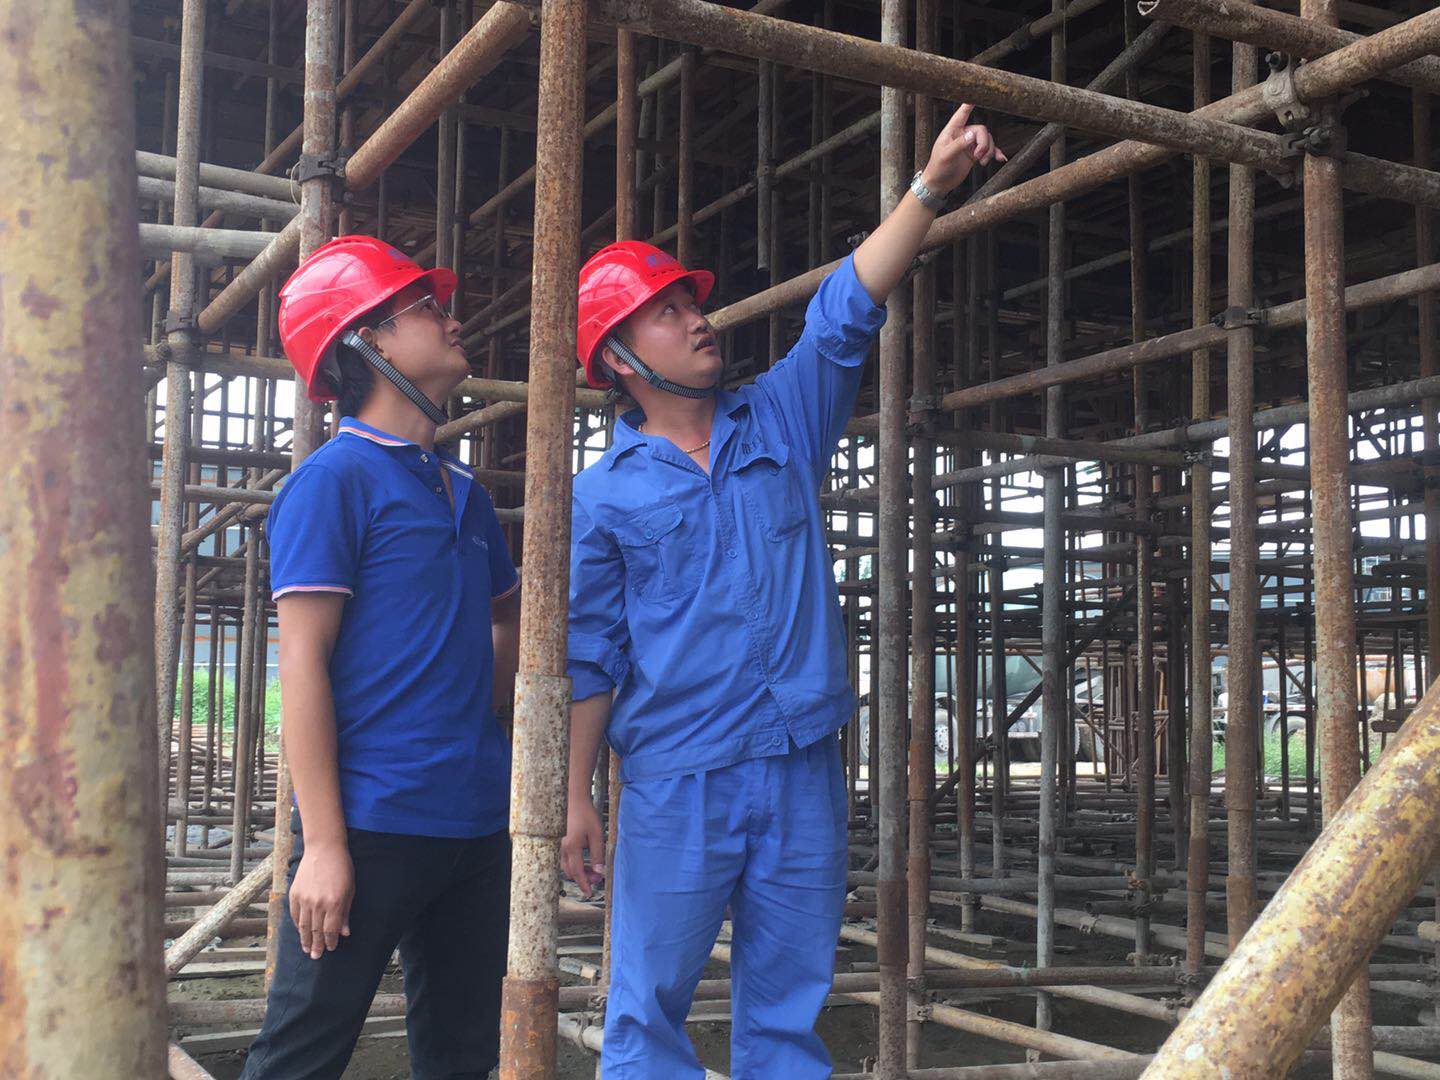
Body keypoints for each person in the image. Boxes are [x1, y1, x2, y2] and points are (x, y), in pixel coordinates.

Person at [561, 106, 1004, 1077]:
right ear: (620, 361)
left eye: (692, 302)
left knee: (788, 1020)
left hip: (802, 766)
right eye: (667, 311)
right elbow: (589, 655)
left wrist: (928, 190)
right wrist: (578, 796)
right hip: (677, 780)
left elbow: (844, 312)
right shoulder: (599, 499)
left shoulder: (779, 422)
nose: (699, 318)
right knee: (646, 1018)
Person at [240, 235, 521, 1080]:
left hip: (476, 824)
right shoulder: (332, 482)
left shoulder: (464, 493)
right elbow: (301, 662)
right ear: (368, 343)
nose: (452, 318)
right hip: (369, 826)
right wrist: (323, 845)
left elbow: (506, 618)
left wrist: (470, 724)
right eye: (425, 308)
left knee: (463, 1058)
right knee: (301, 1056)